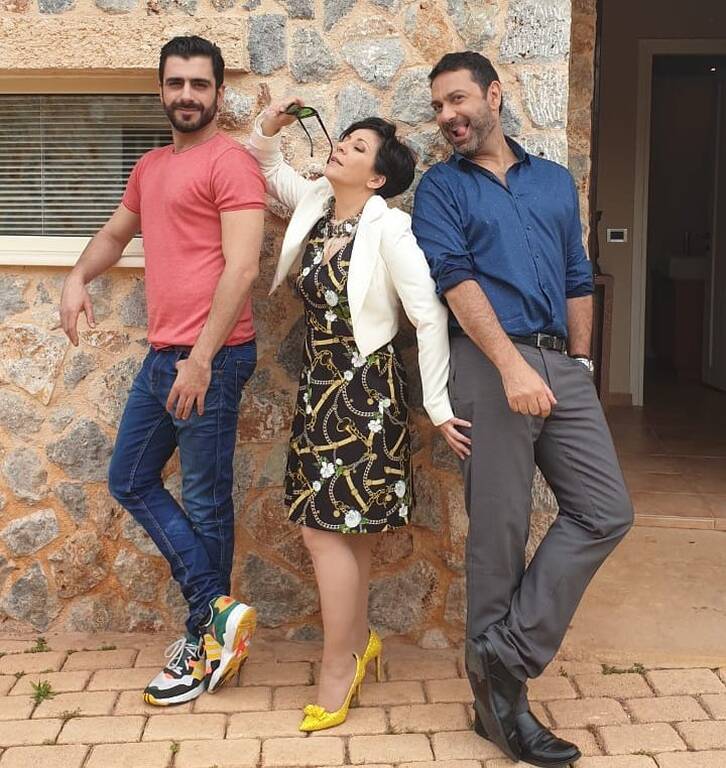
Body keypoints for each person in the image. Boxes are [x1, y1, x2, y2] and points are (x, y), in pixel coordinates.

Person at [412, 51, 634, 767]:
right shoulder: (441, 189)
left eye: (457, 100)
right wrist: (510, 367)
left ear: (494, 95)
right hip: (489, 363)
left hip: (560, 364)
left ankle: (500, 656)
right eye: (438, 106)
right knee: (499, 533)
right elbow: (455, 280)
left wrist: (581, 366)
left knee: (605, 510)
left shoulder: (554, 181)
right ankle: (500, 711)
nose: (447, 116)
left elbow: (576, 274)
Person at [247, 99, 470, 732]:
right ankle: (360, 641)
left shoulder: (389, 229)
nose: (341, 146)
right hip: (319, 383)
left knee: (324, 531)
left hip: (365, 391)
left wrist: (438, 405)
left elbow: (428, 316)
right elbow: (268, 166)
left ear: (376, 178)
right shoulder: (318, 202)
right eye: (343, 138)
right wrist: (271, 124)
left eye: (358, 146)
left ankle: (337, 665)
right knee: (346, 532)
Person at [59, 35, 266, 707]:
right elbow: (116, 234)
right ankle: (217, 614)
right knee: (129, 477)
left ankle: (208, 641)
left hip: (212, 358)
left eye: (199, 84)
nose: (187, 94)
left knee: (205, 500)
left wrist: (201, 360)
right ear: (161, 90)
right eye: (176, 83)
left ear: (218, 93)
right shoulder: (150, 167)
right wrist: (77, 277)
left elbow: (243, 267)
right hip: (162, 357)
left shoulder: (231, 163)